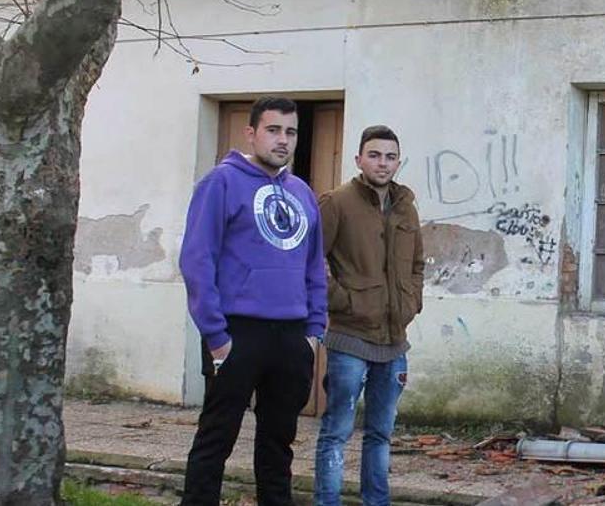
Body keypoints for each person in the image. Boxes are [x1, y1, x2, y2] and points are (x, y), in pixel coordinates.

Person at [178, 96, 327, 506]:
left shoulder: (302, 193)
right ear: (252, 132)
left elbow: (315, 267)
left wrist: (313, 333)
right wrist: (216, 336)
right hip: (237, 333)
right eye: (273, 129)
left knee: (278, 447)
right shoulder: (221, 183)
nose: (283, 139)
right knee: (216, 440)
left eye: (291, 131)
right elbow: (197, 260)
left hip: (292, 337)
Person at [313, 125, 424, 506]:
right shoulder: (337, 202)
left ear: (398, 161)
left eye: (390, 156)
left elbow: (417, 265)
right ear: (359, 159)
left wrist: (412, 301)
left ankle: (376, 502)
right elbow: (309, 263)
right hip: (350, 338)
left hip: (394, 342)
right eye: (374, 155)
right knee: (336, 431)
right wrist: (342, 300)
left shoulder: (407, 206)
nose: (383, 163)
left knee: (381, 433)